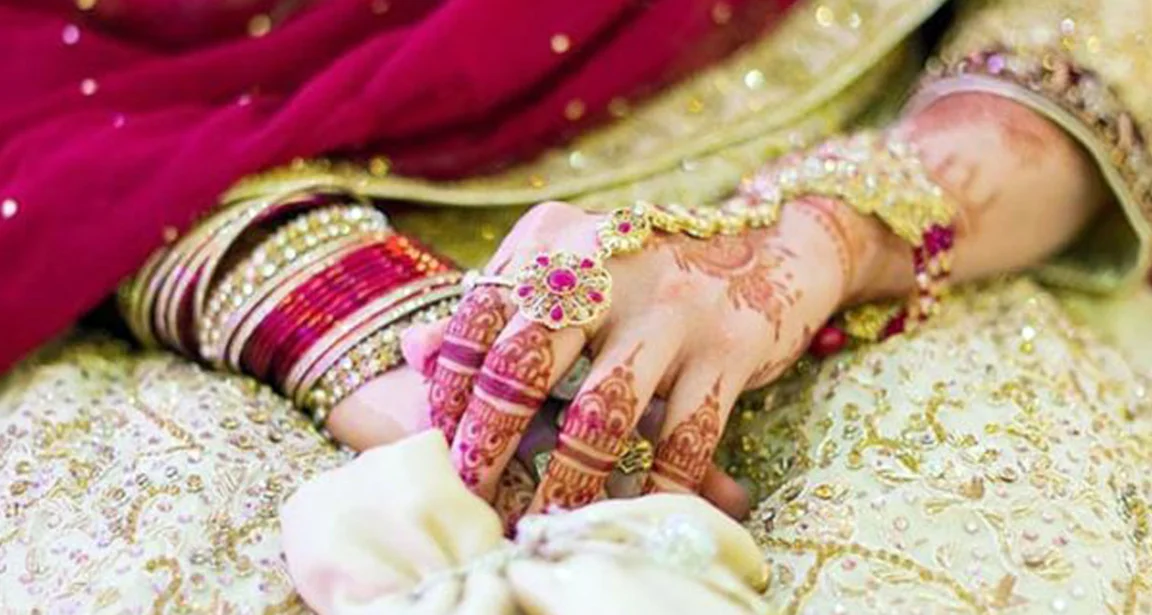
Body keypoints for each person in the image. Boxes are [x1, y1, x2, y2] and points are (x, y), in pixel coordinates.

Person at [2, 0, 1152, 612]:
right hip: (186, 245)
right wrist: (327, 296)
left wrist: (798, 247)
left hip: (881, 225)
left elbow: (1084, 40)